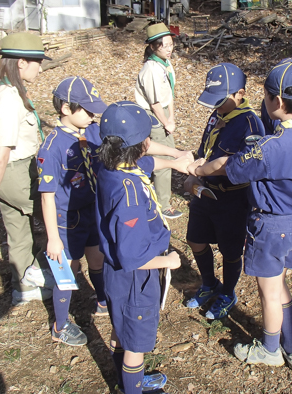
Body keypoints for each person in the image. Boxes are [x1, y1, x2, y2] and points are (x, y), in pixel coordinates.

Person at [189, 59, 292, 370]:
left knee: (269, 292)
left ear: (276, 101)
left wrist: (198, 169)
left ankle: (269, 350)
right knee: (279, 286)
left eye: (265, 97)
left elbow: (232, 167)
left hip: (271, 225)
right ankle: (291, 349)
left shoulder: (270, 146)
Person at [95, 101, 192, 394]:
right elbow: (132, 257)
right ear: (144, 142)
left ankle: (127, 380)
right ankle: (132, 385)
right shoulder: (130, 197)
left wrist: (176, 160)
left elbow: (148, 163)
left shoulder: (112, 167)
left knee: (120, 329)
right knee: (135, 344)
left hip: (116, 276)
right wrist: (169, 262)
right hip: (134, 279)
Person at [21, 76, 107, 346]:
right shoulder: (52, 146)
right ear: (66, 109)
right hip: (66, 219)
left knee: (97, 259)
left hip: (91, 209)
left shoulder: (91, 131)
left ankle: (104, 301)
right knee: (67, 270)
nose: (93, 116)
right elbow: (47, 197)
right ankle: (60, 325)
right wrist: (53, 238)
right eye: (87, 110)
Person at [184, 63, 265, 320]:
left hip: (233, 197)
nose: (215, 106)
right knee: (195, 239)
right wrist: (194, 171)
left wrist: (204, 171)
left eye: (220, 100)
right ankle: (209, 283)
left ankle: (228, 292)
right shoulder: (217, 116)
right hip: (205, 191)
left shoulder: (250, 124)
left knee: (230, 250)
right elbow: (205, 151)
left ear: (240, 93)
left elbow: (247, 165)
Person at [0, 32, 52, 306]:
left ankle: (24, 285)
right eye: (37, 62)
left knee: (17, 229)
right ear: (21, 62)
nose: (40, 67)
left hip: (3, 175)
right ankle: (60, 273)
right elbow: (2, 151)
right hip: (16, 172)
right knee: (55, 214)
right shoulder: (9, 97)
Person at [134, 23, 181, 219]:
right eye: (164, 46)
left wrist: (172, 116)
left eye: (171, 44)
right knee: (166, 157)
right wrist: (165, 122)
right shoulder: (151, 69)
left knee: (156, 151)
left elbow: (168, 95)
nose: (169, 49)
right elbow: (154, 103)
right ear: (153, 47)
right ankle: (163, 204)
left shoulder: (165, 63)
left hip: (163, 112)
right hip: (154, 115)